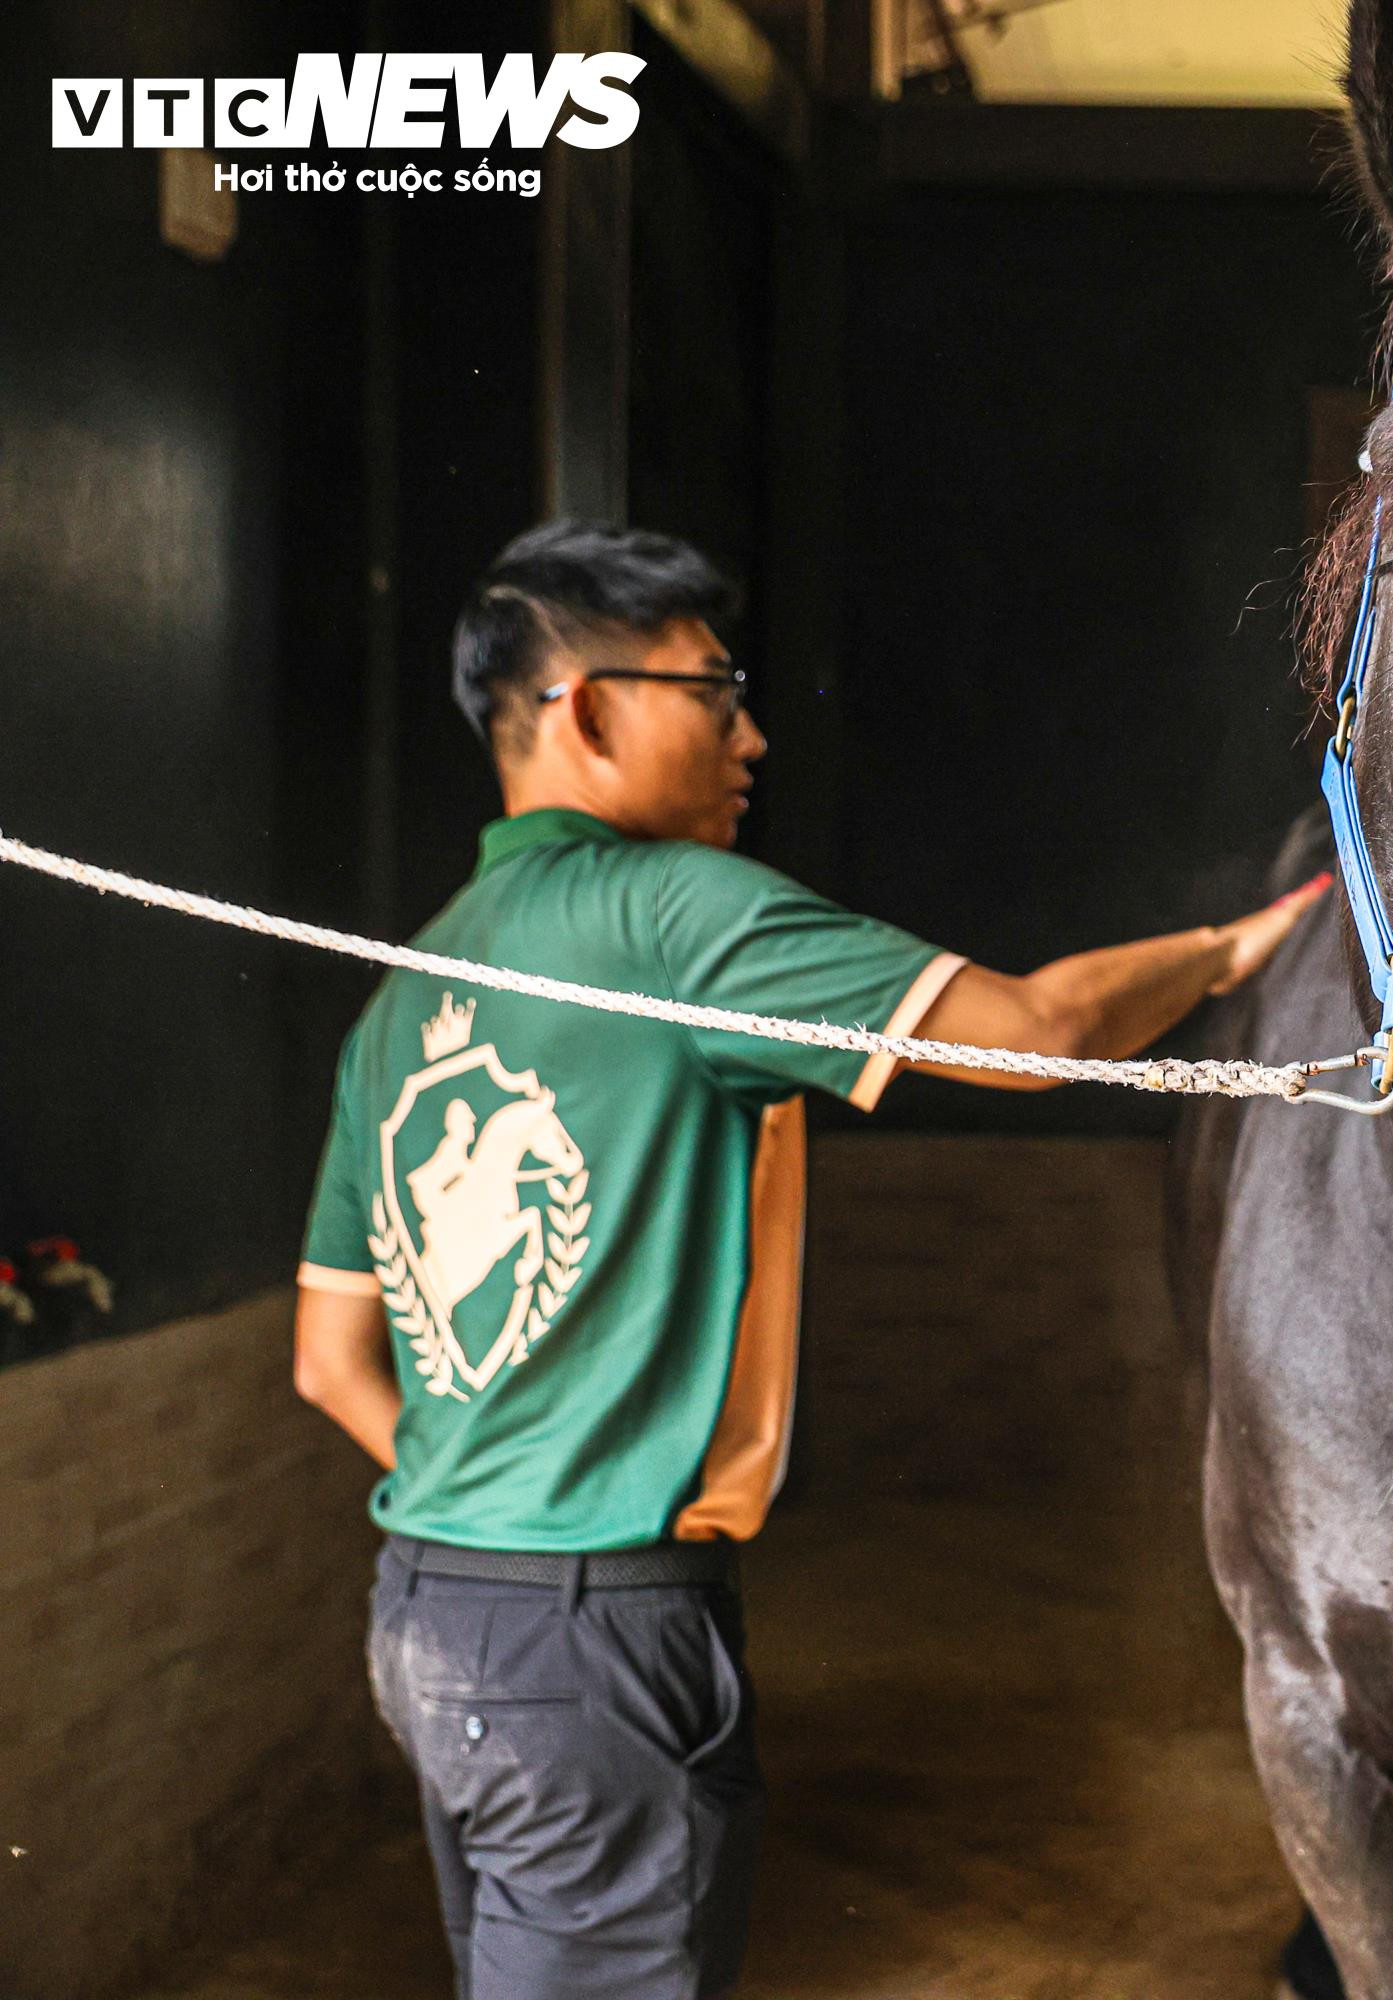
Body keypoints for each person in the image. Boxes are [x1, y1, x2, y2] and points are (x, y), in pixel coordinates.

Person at [289, 521, 1325, 1999]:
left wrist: (507, 1511)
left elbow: (328, 1362)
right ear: (588, 710)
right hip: (593, 1643)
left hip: (433, 1616)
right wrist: (1229, 955)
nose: (753, 736)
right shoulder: (671, 916)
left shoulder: (404, 998)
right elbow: (1041, 1034)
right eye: (715, 692)